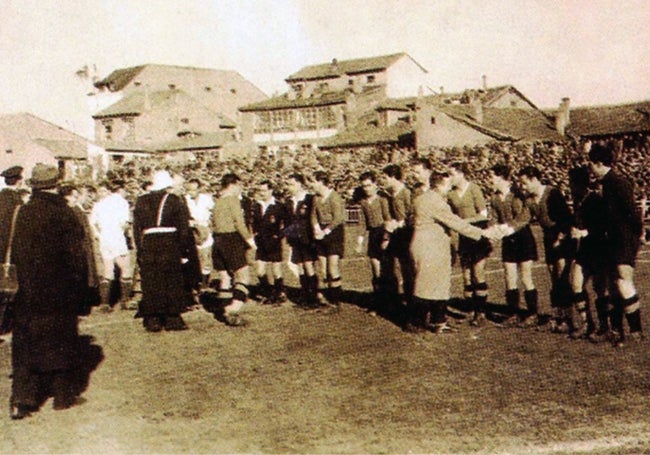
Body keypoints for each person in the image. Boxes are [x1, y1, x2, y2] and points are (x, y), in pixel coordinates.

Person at [10, 164, 87, 418]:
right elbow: (77, 256)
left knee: (25, 343)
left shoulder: (23, 211)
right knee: (62, 341)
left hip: (27, 290)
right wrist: (80, 289)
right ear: (57, 184)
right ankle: (63, 396)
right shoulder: (64, 213)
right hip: (59, 290)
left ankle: (22, 398)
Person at [407, 160, 493, 334]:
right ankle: (418, 321)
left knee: (434, 284)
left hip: (427, 246)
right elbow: (456, 224)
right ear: (439, 185)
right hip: (431, 248)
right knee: (428, 285)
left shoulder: (422, 198)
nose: (450, 188)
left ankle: (437, 320)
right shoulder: (437, 202)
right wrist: (483, 234)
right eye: (447, 185)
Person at [588, 143, 644, 346]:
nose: (590, 169)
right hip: (611, 240)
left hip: (623, 239)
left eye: (591, 164)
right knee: (614, 285)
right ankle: (618, 331)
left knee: (622, 280)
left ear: (599, 163)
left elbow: (632, 212)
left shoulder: (618, 182)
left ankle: (635, 331)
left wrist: (636, 236)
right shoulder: (604, 183)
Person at [133, 170, 200, 332]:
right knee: (171, 279)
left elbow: (136, 228)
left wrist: (140, 249)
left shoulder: (141, 201)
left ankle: (153, 319)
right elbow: (183, 228)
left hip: (149, 243)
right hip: (169, 243)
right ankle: (172, 318)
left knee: (151, 280)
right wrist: (184, 250)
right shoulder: (174, 200)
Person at [519, 166, 573, 332]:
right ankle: (557, 317)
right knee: (554, 279)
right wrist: (502, 230)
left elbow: (566, 218)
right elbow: (522, 220)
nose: (522, 187)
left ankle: (567, 319)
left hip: (561, 238)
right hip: (548, 238)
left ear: (535, 179)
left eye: (524, 183)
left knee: (563, 278)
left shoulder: (552, 193)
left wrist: (561, 238)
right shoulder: (529, 200)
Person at [489, 164, 539, 326]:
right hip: (508, 240)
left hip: (523, 238)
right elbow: (494, 217)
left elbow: (523, 218)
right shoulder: (495, 198)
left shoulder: (517, 194)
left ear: (501, 178)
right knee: (509, 277)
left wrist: (507, 228)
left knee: (526, 277)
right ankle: (513, 313)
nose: (489, 180)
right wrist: (494, 229)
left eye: (492, 177)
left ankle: (532, 313)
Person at [567, 166, 610, 340]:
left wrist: (585, 232)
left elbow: (604, 225)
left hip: (598, 249)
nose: (570, 186)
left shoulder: (595, 200)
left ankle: (604, 327)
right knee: (576, 284)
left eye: (572, 182)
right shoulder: (578, 200)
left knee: (600, 289)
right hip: (584, 250)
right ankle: (587, 323)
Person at [448, 161, 493, 326]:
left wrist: (464, 222)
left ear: (460, 173)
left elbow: (483, 215)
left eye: (452, 174)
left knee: (477, 274)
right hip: (463, 238)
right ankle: (470, 310)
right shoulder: (451, 194)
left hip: (477, 235)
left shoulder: (474, 188)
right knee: (466, 276)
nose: (449, 177)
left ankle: (480, 312)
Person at [210, 173, 256, 326]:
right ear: (233, 184)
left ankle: (223, 310)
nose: (240, 189)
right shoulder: (232, 200)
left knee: (225, 278)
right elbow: (239, 223)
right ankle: (233, 309)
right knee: (243, 275)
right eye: (240, 185)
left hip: (217, 240)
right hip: (230, 239)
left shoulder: (218, 202)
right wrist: (250, 241)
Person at [89, 179, 135, 312]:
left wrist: (98, 234)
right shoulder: (122, 202)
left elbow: (92, 222)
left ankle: (105, 303)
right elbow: (124, 224)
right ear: (121, 189)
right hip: (117, 238)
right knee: (126, 269)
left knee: (108, 270)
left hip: (104, 239)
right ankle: (125, 301)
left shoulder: (99, 204)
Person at [381, 164, 415, 321]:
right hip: (398, 236)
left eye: (385, 177)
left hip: (408, 236)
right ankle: (402, 301)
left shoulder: (407, 193)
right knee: (396, 268)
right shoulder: (391, 195)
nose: (383, 181)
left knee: (409, 271)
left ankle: (413, 304)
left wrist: (400, 223)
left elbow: (413, 216)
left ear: (393, 177)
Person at [355, 171, 391, 315]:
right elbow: (362, 223)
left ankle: (391, 303)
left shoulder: (382, 200)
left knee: (387, 271)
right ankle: (379, 303)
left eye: (369, 185)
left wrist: (386, 238)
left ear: (375, 185)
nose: (367, 189)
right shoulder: (363, 202)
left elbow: (388, 219)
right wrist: (359, 241)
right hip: (373, 236)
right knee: (376, 273)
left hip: (384, 233)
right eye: (364, 186)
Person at [311, 170, 346, 313]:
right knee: (323, 269)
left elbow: (338, 218)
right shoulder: (316, 198)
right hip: (320, 233)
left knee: (332, 268)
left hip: (333, 233)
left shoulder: (334, 197)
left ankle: (336, 301)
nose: (312, 185)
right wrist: (316, 228)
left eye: (313, 181)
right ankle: (326, 298)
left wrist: (325, 232)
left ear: (321, 182)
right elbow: (313, 215)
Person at [283, 173, 318, 308]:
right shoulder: (288, 202)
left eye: (291, 184)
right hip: (295, 239)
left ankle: (313, 297)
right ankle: (305, 296)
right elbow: (287, 222)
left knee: (309, 266)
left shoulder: (310, 199)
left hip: (308, 239)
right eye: (287, 184)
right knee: (300, 267)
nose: (288, 187)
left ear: (299, 184)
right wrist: (288, 235)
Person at [251, 180, 289, 304]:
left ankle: (279, 292)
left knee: (276, 270)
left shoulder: (278, 206)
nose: (262, 193)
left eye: (264, 190)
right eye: (260, 190)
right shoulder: (256, 205)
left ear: (271, 190)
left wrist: (278, 236)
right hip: (261, 242)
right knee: (259, 270)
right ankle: (268, 292)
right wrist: (255, 233)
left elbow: (287, 224)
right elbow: (254, 223)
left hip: (274, 242)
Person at [0, 165, 25, 335]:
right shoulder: (18, 202)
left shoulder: (1, 198)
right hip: (12, 250)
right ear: (19, 180)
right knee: (11, 287)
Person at [184, 178, 215, 290]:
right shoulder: (185, 200)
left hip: (205, 231)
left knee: (205, 257)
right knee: (192, 257)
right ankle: (194, 283)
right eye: (188, 190)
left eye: (193, 190)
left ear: (199, 189)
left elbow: (213, 213)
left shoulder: (206, 199)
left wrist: (209, 226)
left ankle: (204, 283)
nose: (190, 192)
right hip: (192, 231)